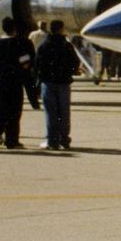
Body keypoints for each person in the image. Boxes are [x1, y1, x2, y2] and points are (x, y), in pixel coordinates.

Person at [0, 17, 35, 149]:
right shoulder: (19, 43)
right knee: (14, 111)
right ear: (15, 28)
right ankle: (11, 139)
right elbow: (25, 62)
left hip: (0, 82)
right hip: (15, 81)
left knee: (1, 109)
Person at [34, 19, 80, 150]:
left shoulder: (44, 46)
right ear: (61, 29)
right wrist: (68, 73)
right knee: (64, 112)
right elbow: (75, 63)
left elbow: (37, 65)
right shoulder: (67, 46)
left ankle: (52, 140)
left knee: (50, 113)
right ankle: (64, 139)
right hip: (64, 82)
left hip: (48, 82)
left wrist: (41, 77)